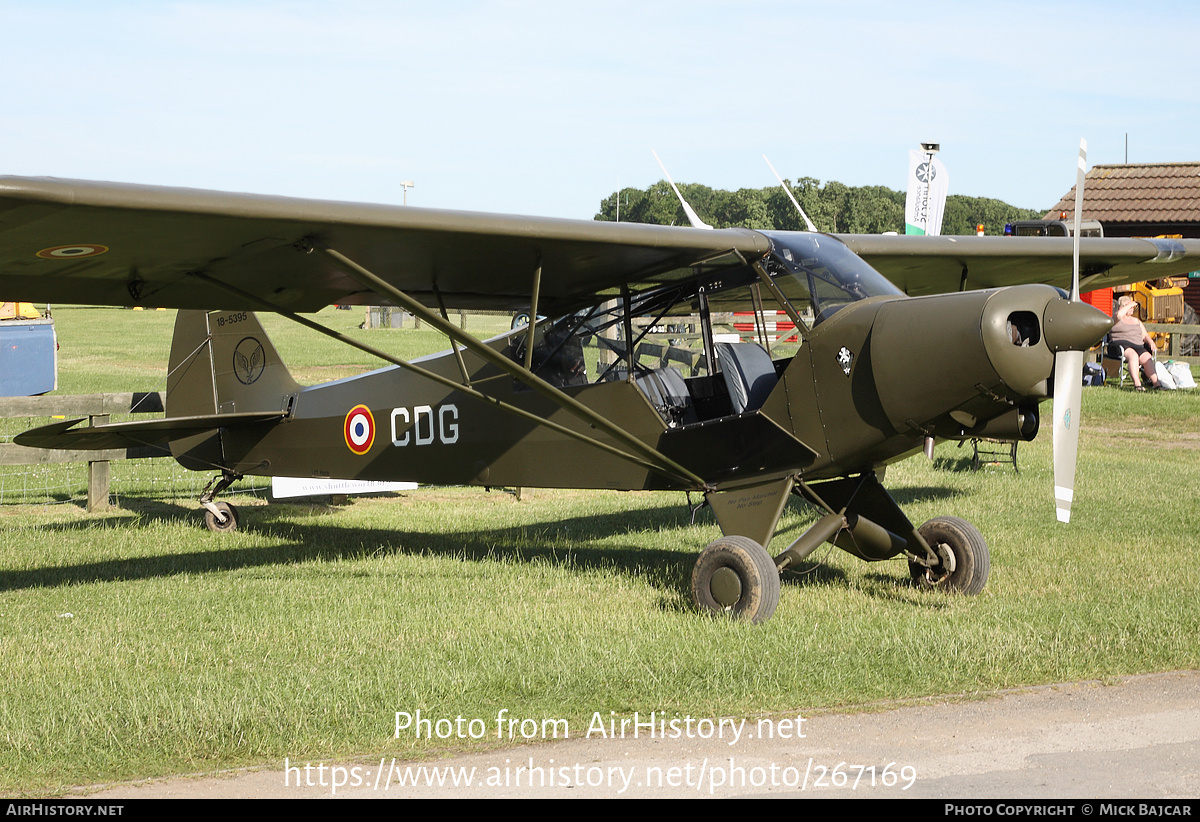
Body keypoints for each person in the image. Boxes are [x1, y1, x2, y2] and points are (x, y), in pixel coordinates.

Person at [1108, 295, 1161, 390]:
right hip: (1120, 345)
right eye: (1129, 306)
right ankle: (1137, 384)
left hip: (1138, 346)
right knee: (1133, 355)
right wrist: (1130, 304)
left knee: (1147, 357)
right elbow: (1119, 315)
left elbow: (1145, 335)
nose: (1132, 308)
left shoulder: (1137, 321)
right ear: (1121, 307)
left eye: (1133, 307)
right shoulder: (1116, 319)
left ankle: (1157, 384)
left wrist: (1151, 342)